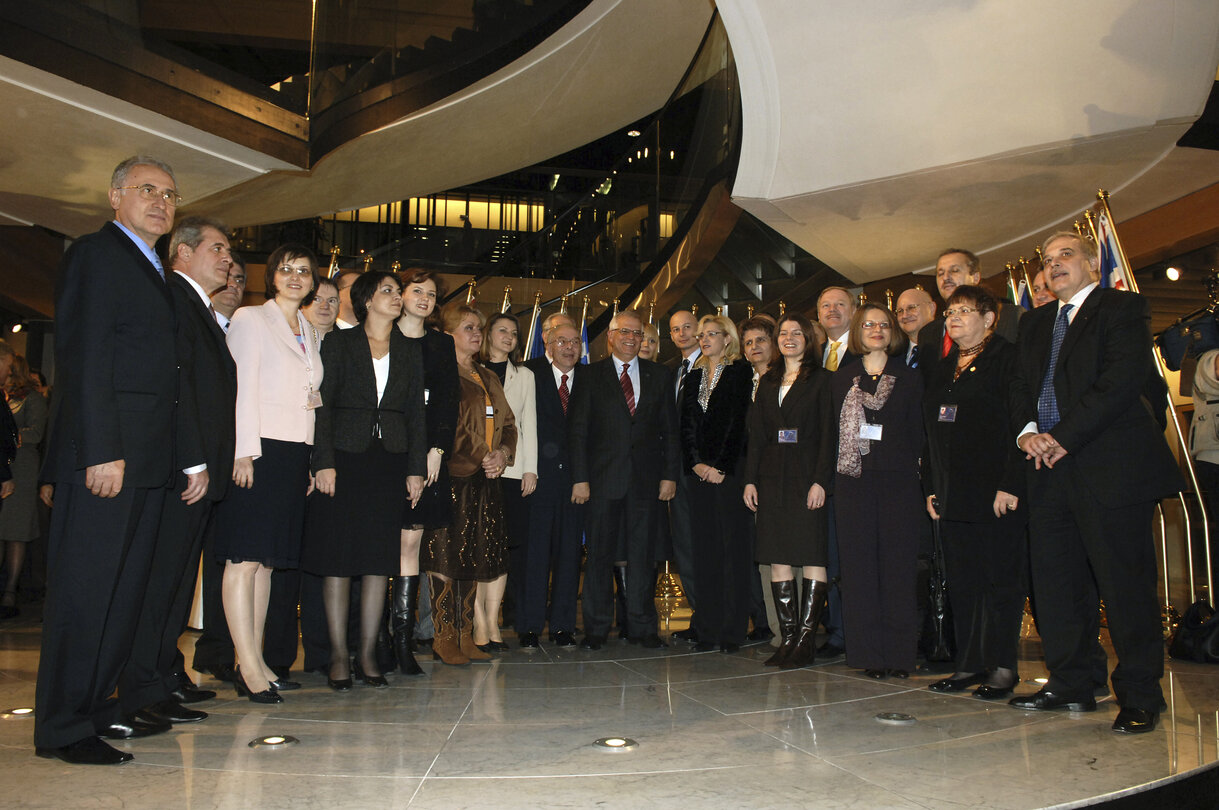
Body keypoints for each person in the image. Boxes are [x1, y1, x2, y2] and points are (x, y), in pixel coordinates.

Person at [36, 156, 181, 765]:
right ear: (115, 196)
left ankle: (98, 709)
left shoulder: (152, 267)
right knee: (87, 593)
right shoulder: (96, 255)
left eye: (170, 195)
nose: (160, 202)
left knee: (123, 595)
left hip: (147, 460)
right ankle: (63, 727)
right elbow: (85, 356)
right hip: (109, 459)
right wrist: (102, 450)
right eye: (147, 190)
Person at [1008, 232, 1183, 734]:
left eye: (1066, 256)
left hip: (1109, 468)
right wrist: (1027, 435)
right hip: (1045, 469)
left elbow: (1120, 381)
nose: (1054, 265)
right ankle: (1072, 684)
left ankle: (1142, 694)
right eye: (1047, 260)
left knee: (1125, 585)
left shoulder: (1123, 308)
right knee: (1058, 585)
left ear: (1090, 262)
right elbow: (1021, 385)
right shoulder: (1037, 321)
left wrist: (1062, 435)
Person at [116, 216, 236, 728]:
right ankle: (140, 688)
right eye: (218, 248)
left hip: (199, 471)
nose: (228, 258)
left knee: (177, 583)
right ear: (182, 253)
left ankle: (162, 678)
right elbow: (180, 388)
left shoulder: (198, 306)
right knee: (161, 582)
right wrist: (195, 460)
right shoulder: (175, 299)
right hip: (185, 472)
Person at [303, 271, 426, 689]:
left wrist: (415, 469)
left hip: (389, 463)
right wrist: (323, 462)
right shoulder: (339, 344)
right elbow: (323, 407)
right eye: (388, 291)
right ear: (366, 300)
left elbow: (415, 414)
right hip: (344, 460)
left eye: (397, 291)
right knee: (338, 559)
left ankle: (368, 653)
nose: (396, 297)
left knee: (378, 561)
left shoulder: (410, 350)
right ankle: (339, 654)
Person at [212, 243, 323, 704]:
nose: (295, 276)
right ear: (271, 277)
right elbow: (239, 389)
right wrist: (241, 452)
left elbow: (311, 399)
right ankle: (249, 667)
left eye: (303, 270)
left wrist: (312, 460)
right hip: (257, 453)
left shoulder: (310, 331)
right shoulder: (251, 319)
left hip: (293, 454)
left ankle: (251, 661)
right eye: (286, 269)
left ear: (314, 281)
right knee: (243, 559)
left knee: (267, 564)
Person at [922, 285, 1027, 699]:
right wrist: (930, 487)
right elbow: (928, 433)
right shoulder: (944, 364)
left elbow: (1022, 424)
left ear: (989, 318)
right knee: (962, 582)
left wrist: (1011, 483)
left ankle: (1002, 666)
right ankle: (967, 663)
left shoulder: (1008, 358)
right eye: (950, 311)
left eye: (964, 310)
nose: (954, 317)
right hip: (952, 494)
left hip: (996, 492)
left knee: (1000, 583)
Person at [569, 309, 680, 650]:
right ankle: (597, 629)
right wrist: (580, 479)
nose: (632, 339)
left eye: (638, 334)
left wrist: (669, 477)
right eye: (625, 332)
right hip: (602, 483)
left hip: (647, 483)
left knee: (642, 557)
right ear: (611, 337)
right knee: (600, 556)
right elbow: (578, 432)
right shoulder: (588, 376)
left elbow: (670, 432)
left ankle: (642, 627)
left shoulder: (660, 376)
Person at [832, 304, 924, 679]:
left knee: (898, 569)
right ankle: (868, 653)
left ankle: (900, 655)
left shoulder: (910, 377)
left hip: (898, 483)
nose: (876, 330)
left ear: (893, 332)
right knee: (859, 570)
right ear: (858, 330)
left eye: (883, 325)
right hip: (852, 483)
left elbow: (919, 432)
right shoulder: (842, 378)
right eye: (868, 324)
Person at [422, 303, 517, 665]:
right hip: (451, 475)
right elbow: (448, 424)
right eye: (468, 328)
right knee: (445, 554)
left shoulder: (487, 376)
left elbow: (508, 423)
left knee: (475, 553)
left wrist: (503, 453)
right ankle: (443, 636)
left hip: (486, 478)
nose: (477, 334)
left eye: (479, 328)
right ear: (447, 335)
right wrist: (484, 454)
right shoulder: (440, 373)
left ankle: (464, 634)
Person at [743, 313, 833, 668]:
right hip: (771, 477)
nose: (789, 338)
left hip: (806, 476)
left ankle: (807, 641)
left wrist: (821, 481)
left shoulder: (823, 380)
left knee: (812, 555)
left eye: (797, 333)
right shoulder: (768, 381)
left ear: (809, 340)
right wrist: (750, 480)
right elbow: (757, 437)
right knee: (777, 556)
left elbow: (829, 435)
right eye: (784, 333)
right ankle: (789, 637)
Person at [394, 269, 459, 672]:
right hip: (384, 452)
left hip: (428, 457)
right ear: (399, 294)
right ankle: (370, 640)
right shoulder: (380, 335)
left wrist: (436, 450)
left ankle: (401, 641)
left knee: (410, 546)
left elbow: (447, 402)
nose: (424, 298)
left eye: (431, 294)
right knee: (379, 544)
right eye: (417, 290)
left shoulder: (441, 344)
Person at [680, 315, 754, 652]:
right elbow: (687, 426)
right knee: (704, 552)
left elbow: (739, 424)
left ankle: (731, 631)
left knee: (731, 552)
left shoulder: (741, 373)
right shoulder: (693, 376)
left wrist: (720, 466)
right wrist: (695, 463)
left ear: (728, 338)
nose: (705, 339)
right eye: (702, 334)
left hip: (728, 475)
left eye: (712, 334)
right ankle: (707, 629)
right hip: (698, 477)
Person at [191, 256, 246, 684]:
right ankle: (210, 648)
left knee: (229, 554)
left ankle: (222, 648)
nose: (234, 283)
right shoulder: (201, 327)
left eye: (240, 279)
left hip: (237, 463)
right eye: (228, 276)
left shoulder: (245, 330)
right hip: (200, 463)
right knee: (203, 560)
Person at [519, 322, 585, 648]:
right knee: (535, 555)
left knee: (569, 556)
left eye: (575, 341)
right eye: (562, 340)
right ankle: (529, 626)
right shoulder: (527, 372)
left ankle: (563, 626)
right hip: (536, 481)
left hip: (575, 483)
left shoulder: (588, 380)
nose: (570, 347)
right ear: (546, 341)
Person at [480, 312, 537, 652]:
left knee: (504, 547)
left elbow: (528, 422)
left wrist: (530, 469)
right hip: (476, 471)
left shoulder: (525, 375)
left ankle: (494, 616)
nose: (509, 337)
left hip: (513, 472)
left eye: (514, 333)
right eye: (502, 330)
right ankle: (478, 620)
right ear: (488, 334)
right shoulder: (471, 370)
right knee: (477, 546)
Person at [817, 286, 857, 659]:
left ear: (853, 311)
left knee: (850, 554)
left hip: (854, 471)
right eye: (826, 306)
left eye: (839, 305)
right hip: (818, 471)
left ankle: (851, 631)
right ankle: (835, 628)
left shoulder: (864, 353)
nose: (832, 311)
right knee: (828, 554)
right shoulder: (812, 356)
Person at [917, 249, 1021, 380]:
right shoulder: (927, 333)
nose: (946, 277)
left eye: (954, 270)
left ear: (975, 277)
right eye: (940, 273)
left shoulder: (1008, 315)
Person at [0, 352, 47, 618]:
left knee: (16, 532)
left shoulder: (33, 399)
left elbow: (37, 433)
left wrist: (8, 436)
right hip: (5, 465)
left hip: (24, 469)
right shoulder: (5, 397)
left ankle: (10, 590)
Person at [667, 309, 701, 642]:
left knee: (707, 547)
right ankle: (697, 615)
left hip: (705, 473)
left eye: (687, 327)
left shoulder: (717, 367)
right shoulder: (671, 372)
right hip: (677, 474)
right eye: (675, 329)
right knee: (685, 548)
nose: (682, 334)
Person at [894, 287, 936, 368]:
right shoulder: (894, 356)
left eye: (911, 308)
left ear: (931, 308)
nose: (905, 315)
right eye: (900, 311)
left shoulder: (946, 349)